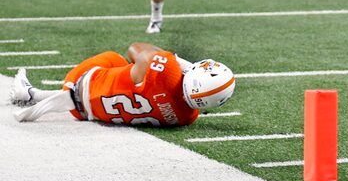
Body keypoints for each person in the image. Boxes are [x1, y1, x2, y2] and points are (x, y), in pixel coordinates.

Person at [10, 42, 235, 125]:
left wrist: (173, 59)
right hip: (89, 114)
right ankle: (33, 95)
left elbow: (135, 49)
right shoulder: (187, 117)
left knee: (116, 59)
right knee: (132, 78)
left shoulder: (167, 69)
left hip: (80, 83)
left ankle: (33, 95)